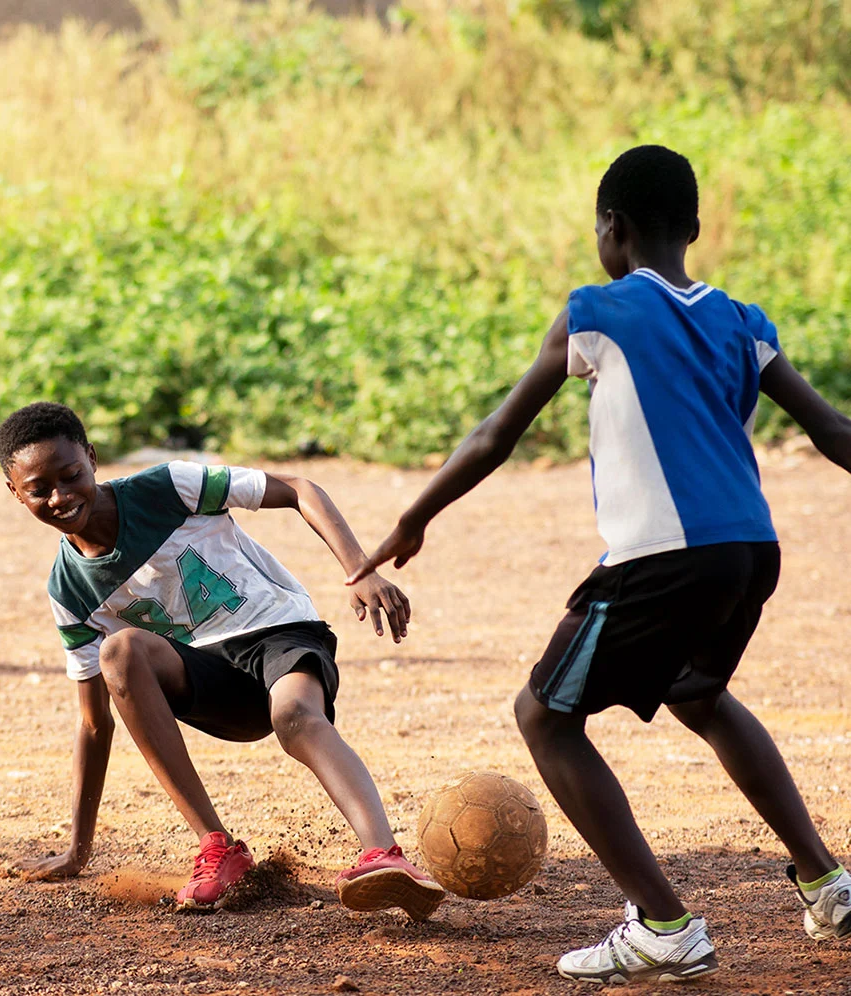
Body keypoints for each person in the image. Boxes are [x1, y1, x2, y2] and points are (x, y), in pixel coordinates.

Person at [347, 145, 851, 982]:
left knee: (544, 718)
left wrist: (412, 516)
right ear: (692, 228)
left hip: (662, 556)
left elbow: (495, 436)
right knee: (700, 694)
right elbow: (833, 431)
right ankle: (829, 885)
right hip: (749, 552)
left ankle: (664, 925)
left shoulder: (597, 311)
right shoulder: (742, 320)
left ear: (611, 229)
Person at [0, 401, 444, 919]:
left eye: (71, 475)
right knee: (120, 650)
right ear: (15, 492)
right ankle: (218, 846)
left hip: (278, 632)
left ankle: (382, 856)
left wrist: (360, 570)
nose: (60, 495)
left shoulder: (168, 486)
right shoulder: (69, 589)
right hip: (210, 680)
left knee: (295, 717)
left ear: (92, 458)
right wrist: (78, 850)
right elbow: (95, 724)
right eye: (38, 489)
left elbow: (299, 488)